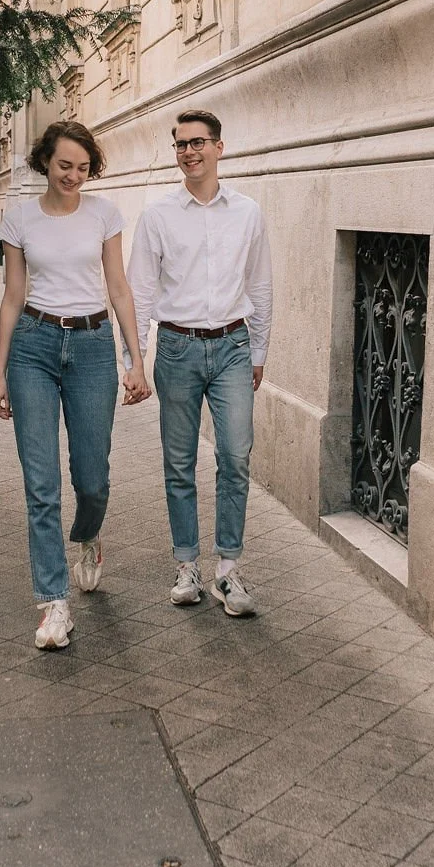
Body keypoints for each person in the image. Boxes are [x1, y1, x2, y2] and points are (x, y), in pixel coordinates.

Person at [0, 121, 151, 650]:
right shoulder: (19, 218)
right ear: (45, 161)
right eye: (65, 166)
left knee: (91, 478)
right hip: (33, 347)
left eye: (83, 168)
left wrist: (135, 359)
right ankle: (54, 604)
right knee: (40, 483)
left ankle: (86, 536)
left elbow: (119, 287)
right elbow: (13, 296)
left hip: (90, 347)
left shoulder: (104, 214)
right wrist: (0, 373)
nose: (73, 177)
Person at [126, 109, 272, 617]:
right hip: (177, 349)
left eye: (198, 143)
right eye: (181, 144)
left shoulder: (247, 213)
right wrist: (134, 361)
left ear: (219, 147)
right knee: (179, 462)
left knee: (235, 457)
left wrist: (258, 351)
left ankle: (228, 571)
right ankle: (187, 563)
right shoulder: (158, 216)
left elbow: (260, 285)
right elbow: (140, 292)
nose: (189, 152)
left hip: (232, 346)